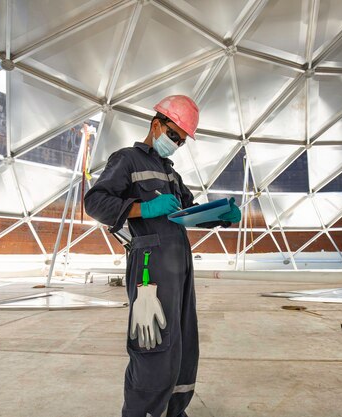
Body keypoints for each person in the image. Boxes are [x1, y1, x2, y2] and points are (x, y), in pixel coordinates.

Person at [84, 95, 241, 417]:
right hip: (149, 267)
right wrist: (144, 207)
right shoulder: (126, 159)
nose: (176, 144)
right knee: (152, 342)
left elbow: (190, 212)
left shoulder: (170, 174)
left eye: (182, 142)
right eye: (173, 136)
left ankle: (174, 410)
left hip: (179, 266)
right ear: (156, 125)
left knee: (183, 341)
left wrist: (221, 216)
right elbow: (95, 202)